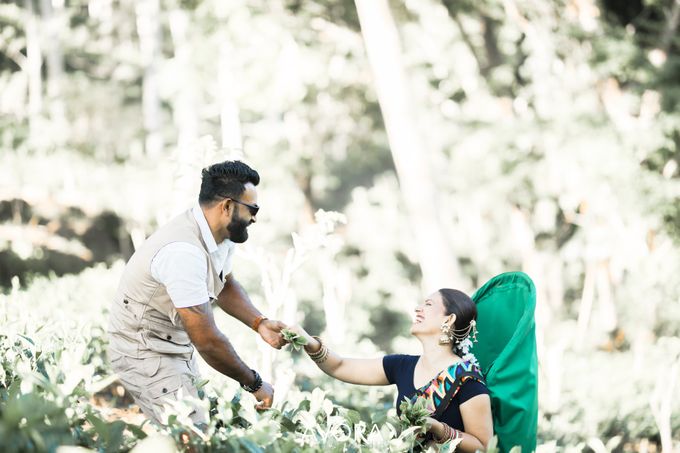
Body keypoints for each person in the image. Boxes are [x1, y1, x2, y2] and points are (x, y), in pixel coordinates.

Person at [107, 160, 287, 427]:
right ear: (227, 206)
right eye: (252, 209)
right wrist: (255, 383)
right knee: (193, 435)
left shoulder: (221, 235)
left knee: (197, 432)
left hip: (175, 344)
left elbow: (224, 284)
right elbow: (207, 340)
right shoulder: (183, 253)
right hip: (144, 351)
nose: (255, 218)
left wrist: (259, 323)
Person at [289, 289, 493, 451]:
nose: (417, 309)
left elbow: (482, 446)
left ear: (448, 320)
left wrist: (438, 428)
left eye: (428, 304)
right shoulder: (401, 366)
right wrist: (309, 342)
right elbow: (339, 366)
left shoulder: (468, 379)